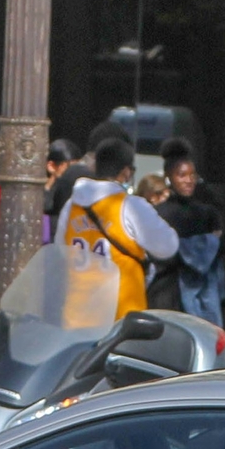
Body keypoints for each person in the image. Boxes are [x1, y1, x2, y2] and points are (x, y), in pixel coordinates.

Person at [56, 134, 180, 322]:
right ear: (126, 172)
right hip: (120, 317)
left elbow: (60, 251)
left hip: (77, 314)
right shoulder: (131, 206)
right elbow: (168, 246)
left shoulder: (72, 206)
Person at [150, 142, 225, 324]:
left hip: (175, 293)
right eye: (182, 175)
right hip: (173, 294)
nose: (188, 180)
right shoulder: (160, 213)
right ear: (169, 177)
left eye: (192, 175)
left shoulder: (207, 213)